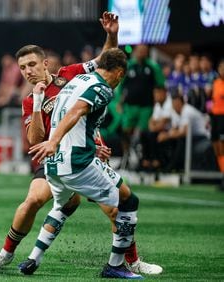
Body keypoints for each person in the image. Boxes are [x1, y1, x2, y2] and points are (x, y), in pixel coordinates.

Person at [28, 48, 145, 279]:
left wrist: (60, 144)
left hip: (55, 163)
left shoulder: (77, 80)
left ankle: (33, 258)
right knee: (128, 201)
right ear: (120, 73)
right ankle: (116, 265)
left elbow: (73, 118)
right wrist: (53, 141)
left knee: (64, 207)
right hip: (78, 162)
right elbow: (77, 111)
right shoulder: (101, 88)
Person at [116, 44, 165, 169]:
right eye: (139, 50)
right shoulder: (128, 65)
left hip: (146, 107)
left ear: (147, 52)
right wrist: (119, 102)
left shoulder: (153, 66)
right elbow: (120, 85)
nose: (141, 53)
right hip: (129, 106)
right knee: (125, 132)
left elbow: (160, 85)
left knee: (144, 133)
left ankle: (143, 159)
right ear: (135, 51)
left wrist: (158, 103)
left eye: (144, 51)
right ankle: (125, 156)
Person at [210, 59, 224, 190]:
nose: (222, 69)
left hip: (223, 117)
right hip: (215, 117)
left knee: (222, 147)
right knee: (217, 148)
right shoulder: (216, 83)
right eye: (220, 67)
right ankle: (222, 175)